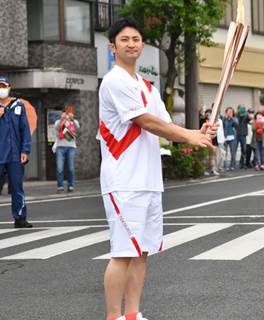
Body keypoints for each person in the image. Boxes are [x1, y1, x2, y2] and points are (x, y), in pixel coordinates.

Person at [98, 18, 216, 320]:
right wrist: (190, 135)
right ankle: (113, 317)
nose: (131, 44)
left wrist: (198, 133)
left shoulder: (148, 87)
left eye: (136, 39)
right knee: (123, 253)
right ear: (113, 47)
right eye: (124, 39)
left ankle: (132, 314)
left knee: (141, 252)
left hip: (149, 180)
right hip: (124, 180)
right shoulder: (114, 82)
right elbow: (146, 122)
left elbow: (165, 126)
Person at [0, 76, 33, 228]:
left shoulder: (18, 106)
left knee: (17, 187)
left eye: (3, 86)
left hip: (14, 155)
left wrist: (25, 150)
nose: (1, 89)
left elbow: (25, 129)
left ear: (9, 88)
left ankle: (20, 218)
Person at [54, 106, 80, 192]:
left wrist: (72, 119)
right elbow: (57, 128)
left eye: (68, 113)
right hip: (60, 146)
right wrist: (62, 120)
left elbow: (77, 128)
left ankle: (71, 185)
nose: (67, 115)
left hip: (71, 146)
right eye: (65, 113)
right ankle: (60, 186)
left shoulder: (74, 122)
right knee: (59, 168)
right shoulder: (58, 122)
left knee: (71, 168)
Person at [222, 107, 238, 171]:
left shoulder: (235, 119)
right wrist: (225, 118)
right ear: (226, 112)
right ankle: (225, 166)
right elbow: (222, 126)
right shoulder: (224, 119)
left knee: (233, 153)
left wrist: (232, 118)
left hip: (233, 137)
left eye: (231, 112)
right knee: (224, 153)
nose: (230, 113)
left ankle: (232, 166)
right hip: (225, 138)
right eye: (228, 112)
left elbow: (237, 124)